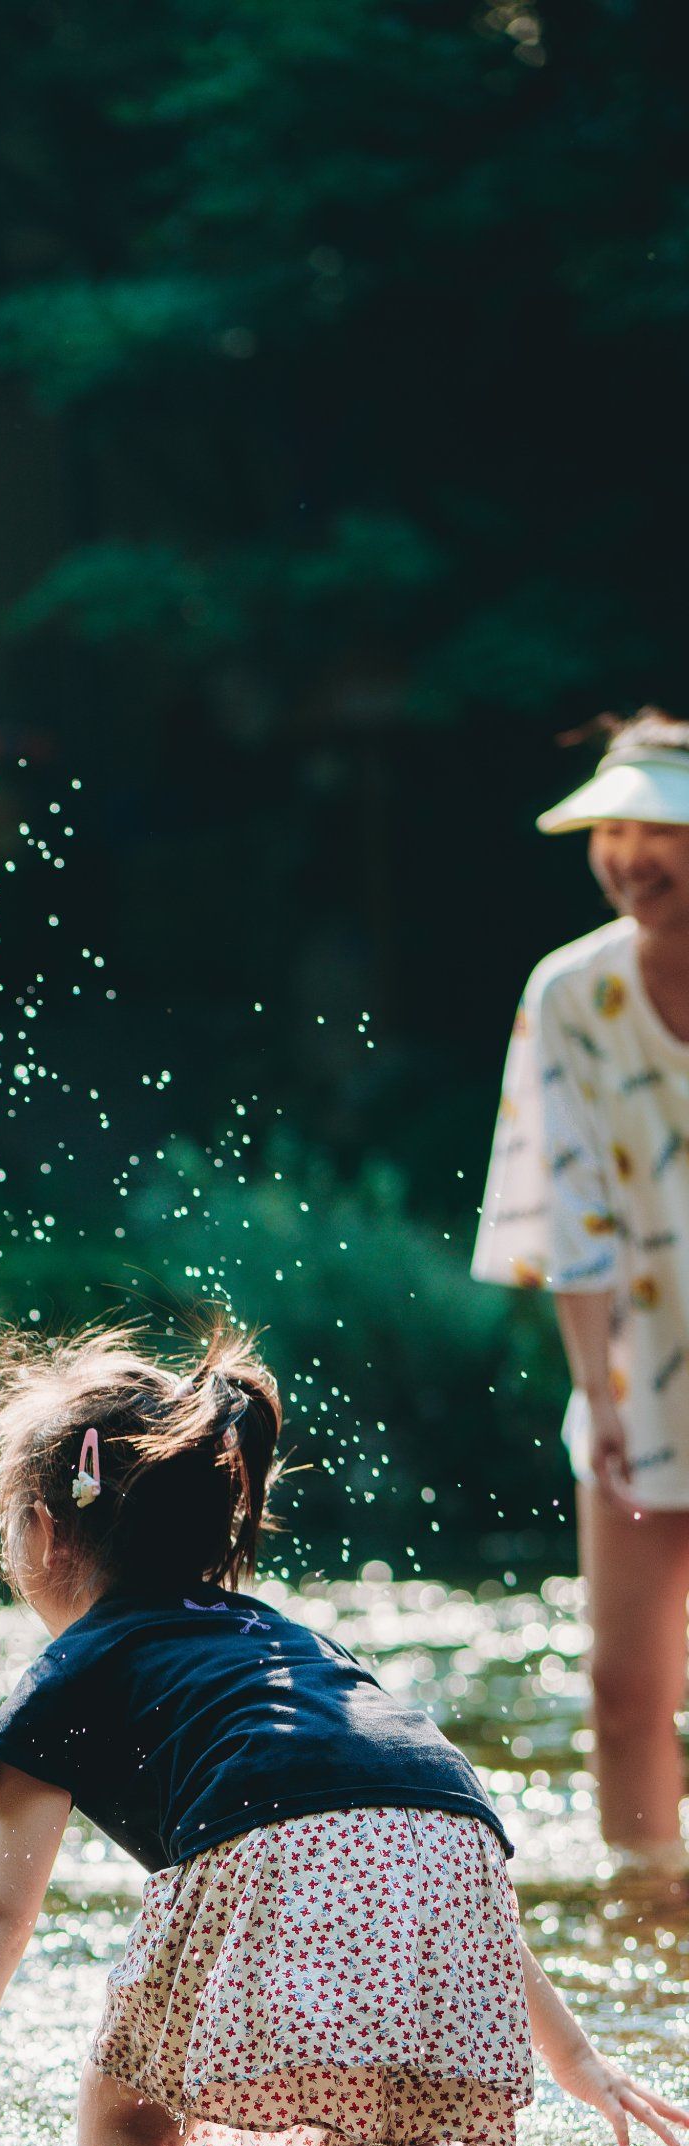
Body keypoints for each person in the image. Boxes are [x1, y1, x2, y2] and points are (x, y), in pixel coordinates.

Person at [0, 1324, 689, 2146]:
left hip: (276, 1839)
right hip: (453, 1834)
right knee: (405, 2119)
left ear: (41, 1533)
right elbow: (397, 1844)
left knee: (130, 2107)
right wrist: (576, 2058)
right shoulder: (286, 1642)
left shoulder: (74, 1669)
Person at [474, 712, 689, 1870]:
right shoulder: (569, 994)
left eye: (655, 828)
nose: (626, 856)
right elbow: (570, 1211)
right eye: (608, 829)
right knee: (623, 1691)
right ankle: (649, 1919)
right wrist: (596, 1396)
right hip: (636, 1379)